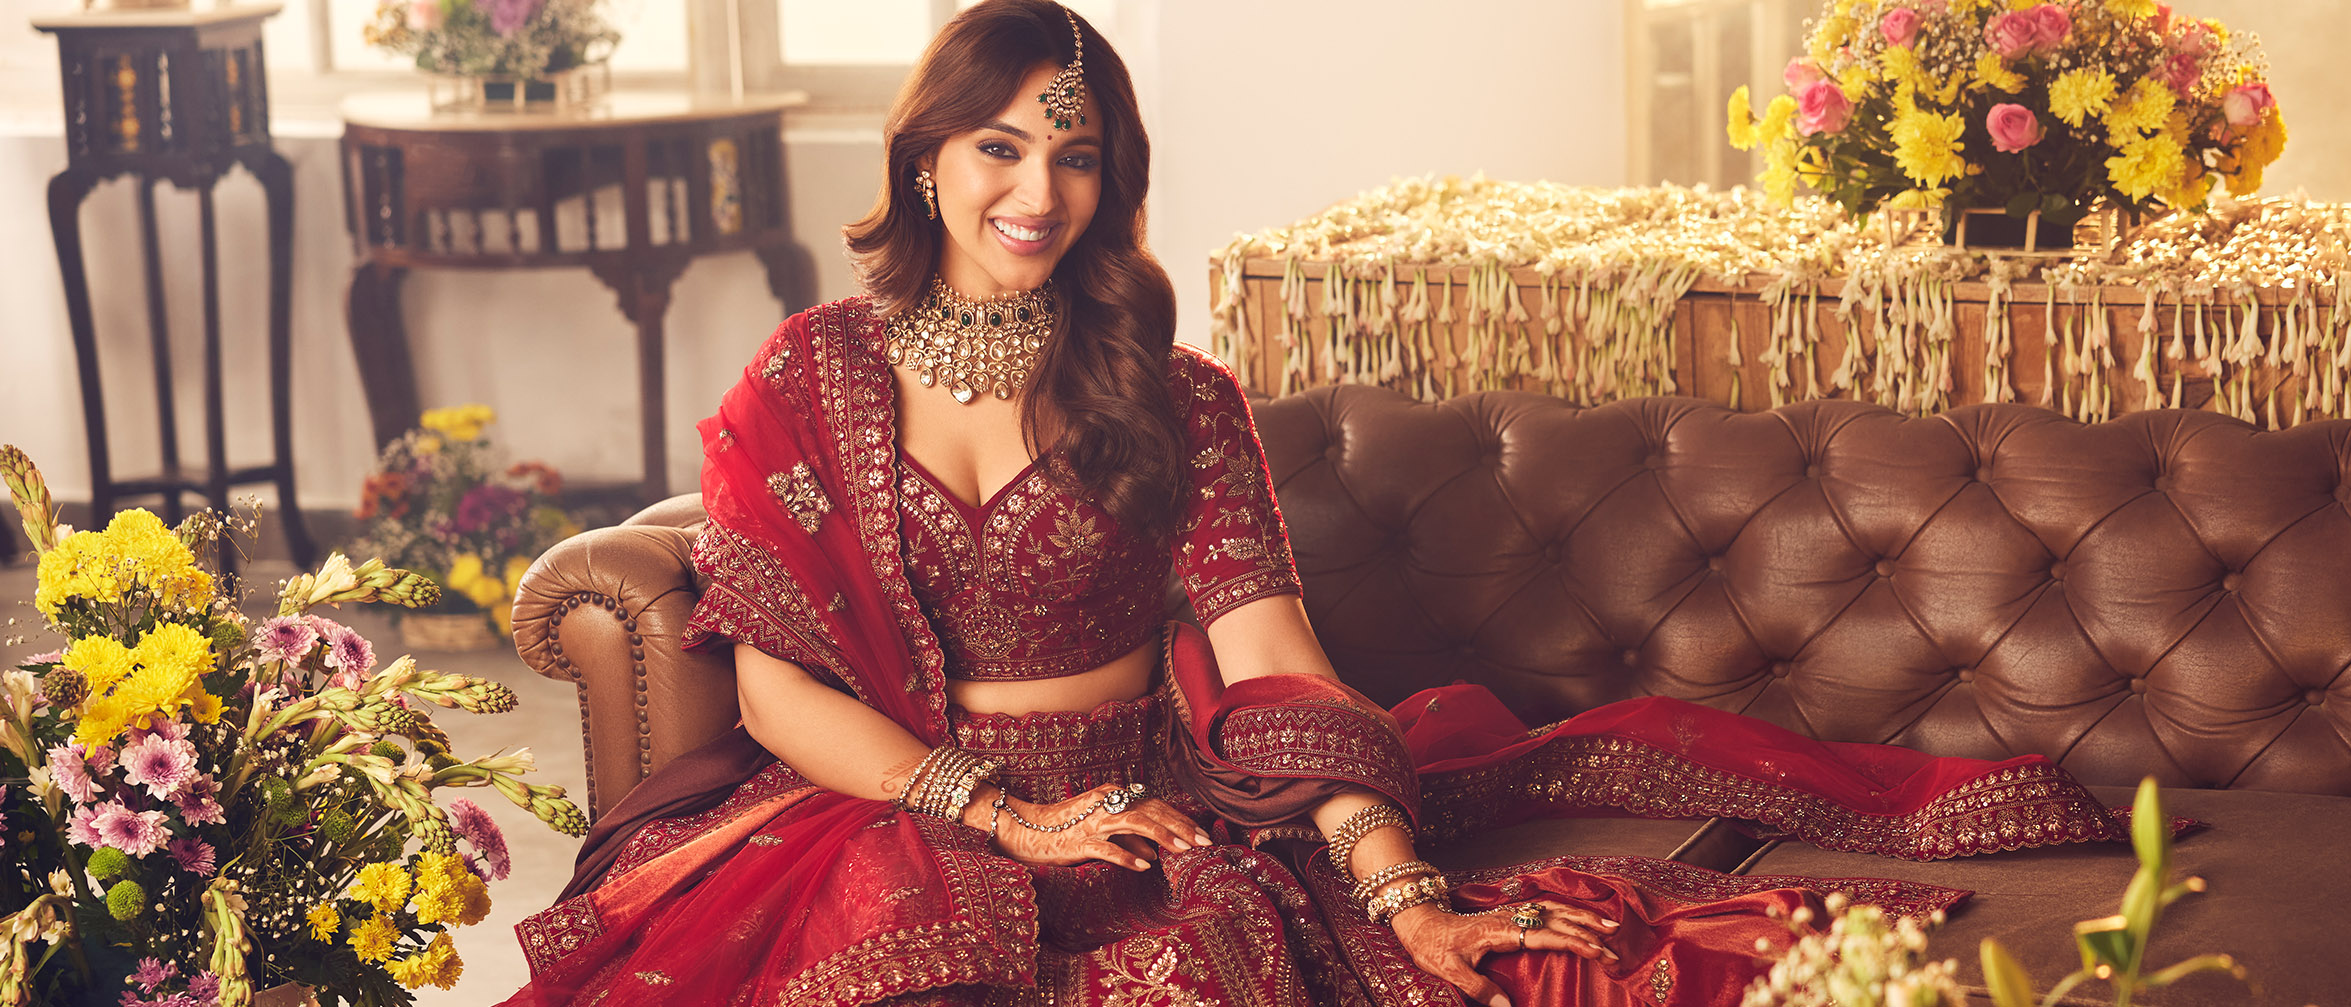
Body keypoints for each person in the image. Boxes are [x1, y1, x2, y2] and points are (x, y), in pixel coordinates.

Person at [497, 4, 2146, 1004]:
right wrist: (992, 810)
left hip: (1157, 803)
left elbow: (1271, 655)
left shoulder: (1170, 389)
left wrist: (1394, 878)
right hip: (901, 809)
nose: (1035, 194)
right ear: (925, 156)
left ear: (1112, 175)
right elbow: (775, 669)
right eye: (997, 149)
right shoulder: (808, 379)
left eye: (1073, 159)